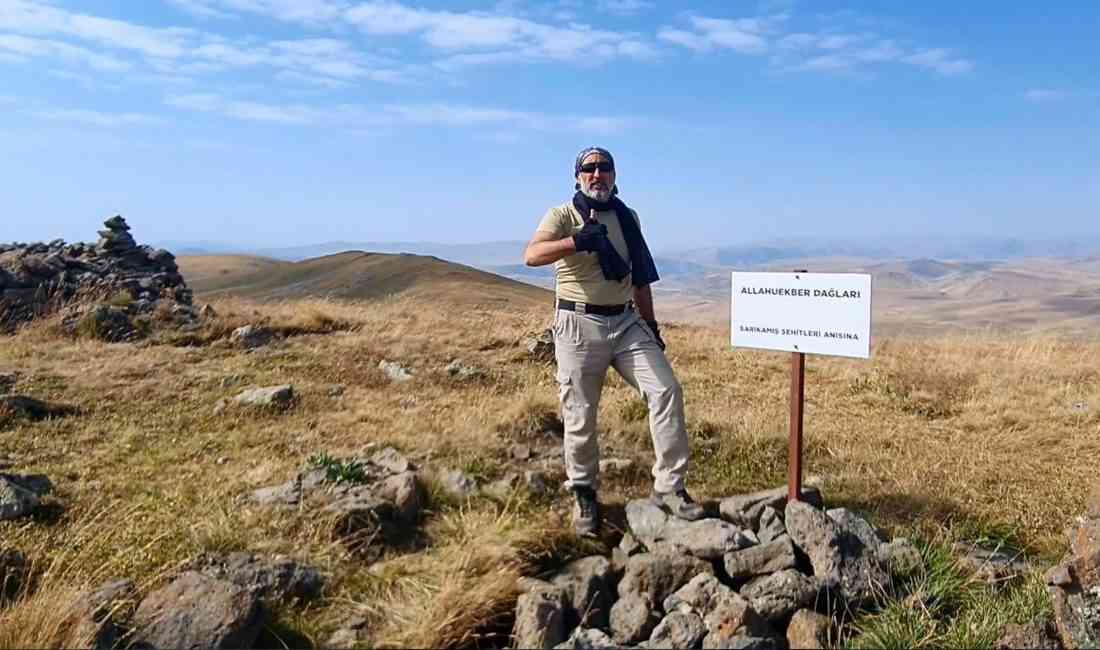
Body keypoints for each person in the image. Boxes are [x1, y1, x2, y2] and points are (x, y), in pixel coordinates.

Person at [523, 146, 705, 537]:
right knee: (580, 413)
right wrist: (576, 242)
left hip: (625, 321)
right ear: (577, 177)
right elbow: (532, 255)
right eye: (589, 168)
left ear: (614, 175)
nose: (597, 174)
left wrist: (651, 325)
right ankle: (584, 493)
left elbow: (639, 275)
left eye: (604, 167)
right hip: (578, 324)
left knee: (666, 390)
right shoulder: (562, 215)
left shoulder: (627, 217)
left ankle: (670, 487)